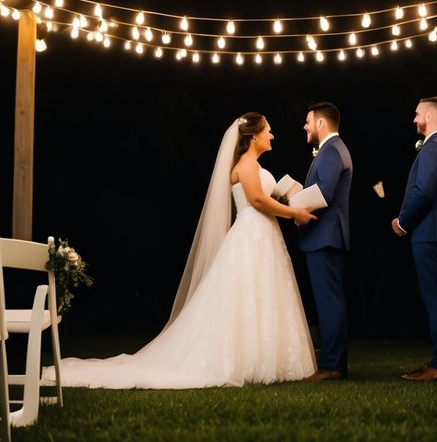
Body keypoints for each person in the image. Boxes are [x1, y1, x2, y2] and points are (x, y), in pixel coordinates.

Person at [43, 112, 318, 388]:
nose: (272, 135)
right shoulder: (245, 164)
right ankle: (246, 360)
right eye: (268, 131)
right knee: (245, 294)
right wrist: (293, 211)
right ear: (253, 136)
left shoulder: (253, 165)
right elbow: (257, 200)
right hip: (252, 234)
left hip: (263, 234)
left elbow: (263, 198)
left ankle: (267, 359)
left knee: (262, 293)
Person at [392, 96, 437, 381]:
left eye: (417, 113)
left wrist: (403, 222)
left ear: (430, 117)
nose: (413, 119)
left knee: (436, 299)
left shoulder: (434, 147)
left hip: (429, 232)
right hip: (436, 230)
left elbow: (424, 192)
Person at [297, 101, 353, 381]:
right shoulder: (333, 149)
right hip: (327, 236)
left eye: (308, 121)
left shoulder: (331, 150)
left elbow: (325, 192)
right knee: (330, 301)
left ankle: (332, 365)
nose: (305, 126)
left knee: (330, 302)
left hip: (326, 236)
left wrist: (297, 208)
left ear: (321, 123)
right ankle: (334, 362)